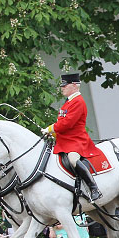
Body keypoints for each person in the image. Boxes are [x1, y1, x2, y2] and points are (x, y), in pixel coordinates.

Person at [41, 72, 103, 202]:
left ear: (74, 85)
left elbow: (67, 123)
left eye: (65, 85)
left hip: (76, 141)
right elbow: (62, 123)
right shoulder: (68, 102)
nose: (62, 88)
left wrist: (50, 129)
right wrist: (52, 133)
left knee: (73, 159)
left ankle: (93, 188)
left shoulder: (78, 102)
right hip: (64, 140)